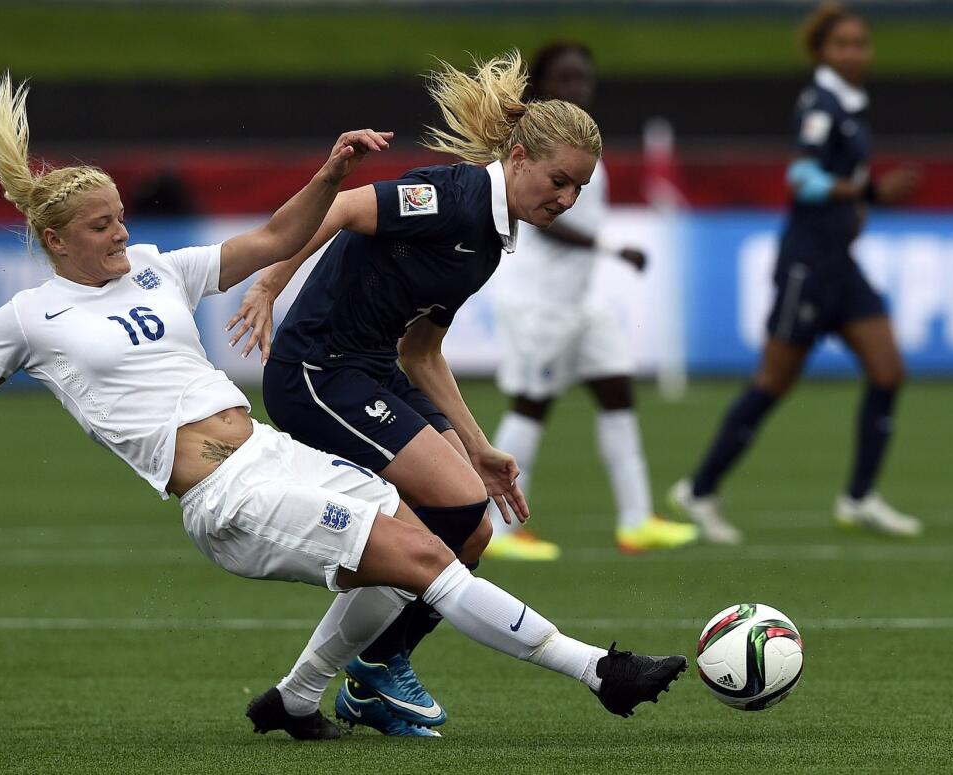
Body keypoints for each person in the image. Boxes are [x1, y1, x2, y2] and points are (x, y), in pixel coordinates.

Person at [0, 74, 687, 742]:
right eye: (102, 225)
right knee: (423, 550)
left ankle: (296, 700)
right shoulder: (27, 317)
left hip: (268, 453)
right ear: (54, 238)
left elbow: (276, 236)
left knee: (433, 536)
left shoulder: (155, 270)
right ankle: (599, 670)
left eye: (122, 216)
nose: (123, 232)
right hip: (225, 496)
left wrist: (328, 171)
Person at [225, 51, 652, 737]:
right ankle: (369, 668)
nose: (567, 199)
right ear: (516, 157)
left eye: (579, 188)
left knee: (475, 525)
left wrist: (480, 445)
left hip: (373, 370)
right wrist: (270, 282)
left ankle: (351, 675)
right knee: (454, 505)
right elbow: (339, 206)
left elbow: (420, 351)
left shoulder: (487, 243)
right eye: (559, 180)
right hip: (317, 370)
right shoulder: (449, 199)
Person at [669, 2, 922, 543]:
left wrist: (855, 207)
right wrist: (870, 193)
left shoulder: (851, 104)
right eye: (842, 44)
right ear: (820, 51)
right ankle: (700, 488)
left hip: (840, 264)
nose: (854, 52)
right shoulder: (820, 104)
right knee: (774, 382)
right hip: (807, 264)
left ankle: (859, 498)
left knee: (888, 370)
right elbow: (802, 178)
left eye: (861, 43)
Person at [483, 41, 698, 562]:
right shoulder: (532, 147)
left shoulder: (582, 146)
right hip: (539, 304)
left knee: (617, 392)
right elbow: (545, 221)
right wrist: (611, 247)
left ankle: (636, 521)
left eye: (583, 79)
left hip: (581, 305)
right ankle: (500, 529)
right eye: (565, 79)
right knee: (530, 406)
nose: (576, 88)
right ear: (541, 86)